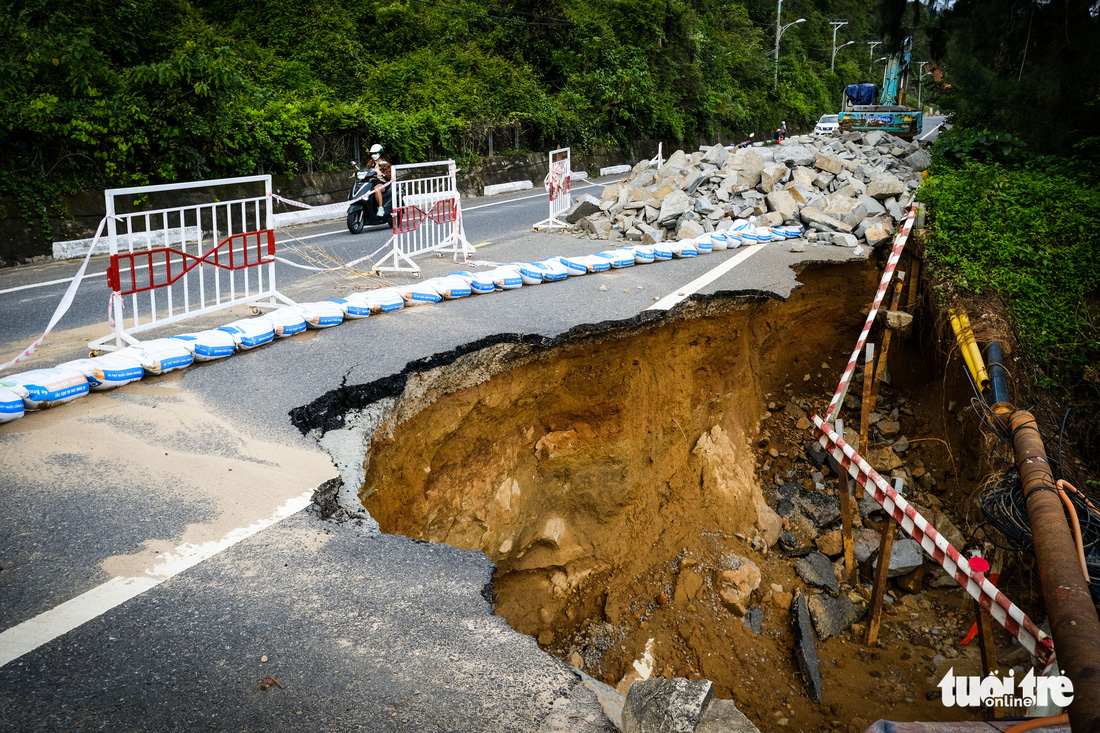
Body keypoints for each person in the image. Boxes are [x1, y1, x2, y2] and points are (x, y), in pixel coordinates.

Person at [366, 143, 392, 214]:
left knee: (376, 189)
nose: (373, 155)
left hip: (382, 182)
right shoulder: (370, 163)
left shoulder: (385, 163)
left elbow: (389, 174)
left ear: (380, 153)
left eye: (375, 153)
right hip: (371, 181)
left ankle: (381, 208)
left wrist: (383, 174)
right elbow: (366, 170)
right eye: (372, 153)